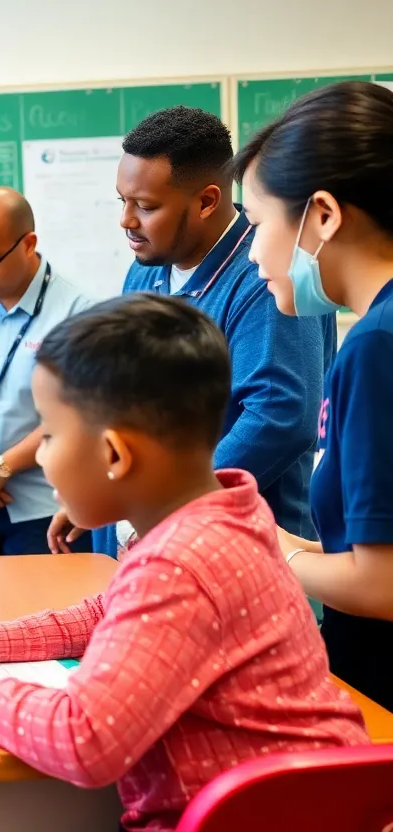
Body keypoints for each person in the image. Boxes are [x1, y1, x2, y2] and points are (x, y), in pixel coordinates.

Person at [0, 294, 369, 832]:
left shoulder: (181, 562)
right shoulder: (221, 517)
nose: (38, 456)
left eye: (51, 436)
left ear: (114, 455)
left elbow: (85, 740)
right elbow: (110, 611)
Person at [53, 106, 334, 556]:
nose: (126, 220)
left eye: (145, 206)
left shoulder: (265, 278)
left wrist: (165, 505)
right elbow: (125, 396)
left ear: (205, 201)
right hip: (140, 533)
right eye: (121, 201)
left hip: (227, 546)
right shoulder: (145, 271)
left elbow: (279, 416)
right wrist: (97, 487)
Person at [231, 80, 393, 711]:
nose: (252, 252)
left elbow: (380, 584)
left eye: (257, 223)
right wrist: (276, 539)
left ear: (323, 215)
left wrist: (272, 560)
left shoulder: (377, 345)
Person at [0, 187, 96, 556]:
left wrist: (2, 469)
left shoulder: (77, 312)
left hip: (45, 508)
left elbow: (80, 413)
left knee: (43, 611)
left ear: (28, 244)